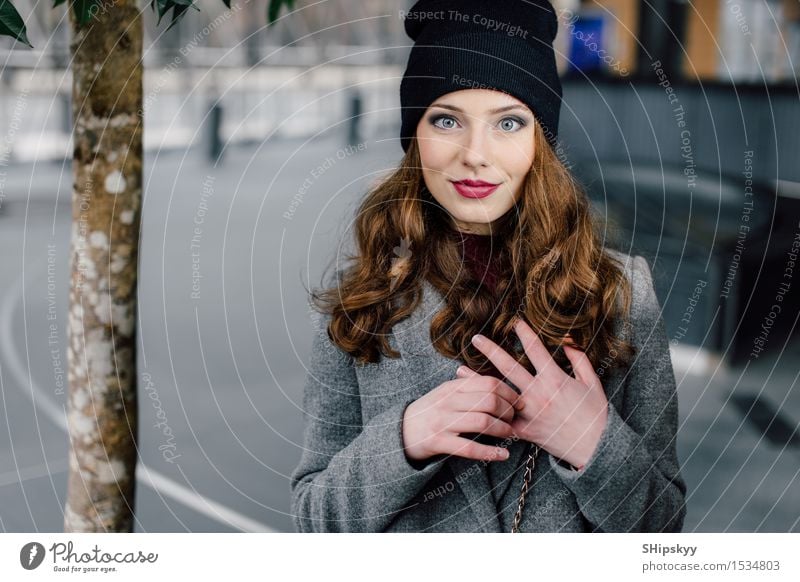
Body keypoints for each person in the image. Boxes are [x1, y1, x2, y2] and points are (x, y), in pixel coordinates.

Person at [290, 0, 687, 533]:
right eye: (448, 119)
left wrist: (594, 444)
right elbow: (316, 523)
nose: (476, 154)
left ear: (538, 144)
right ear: (415, 137)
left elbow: (661, 526)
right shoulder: (359, 303)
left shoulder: (620, 292)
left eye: (508, 122)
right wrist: (403, 440)